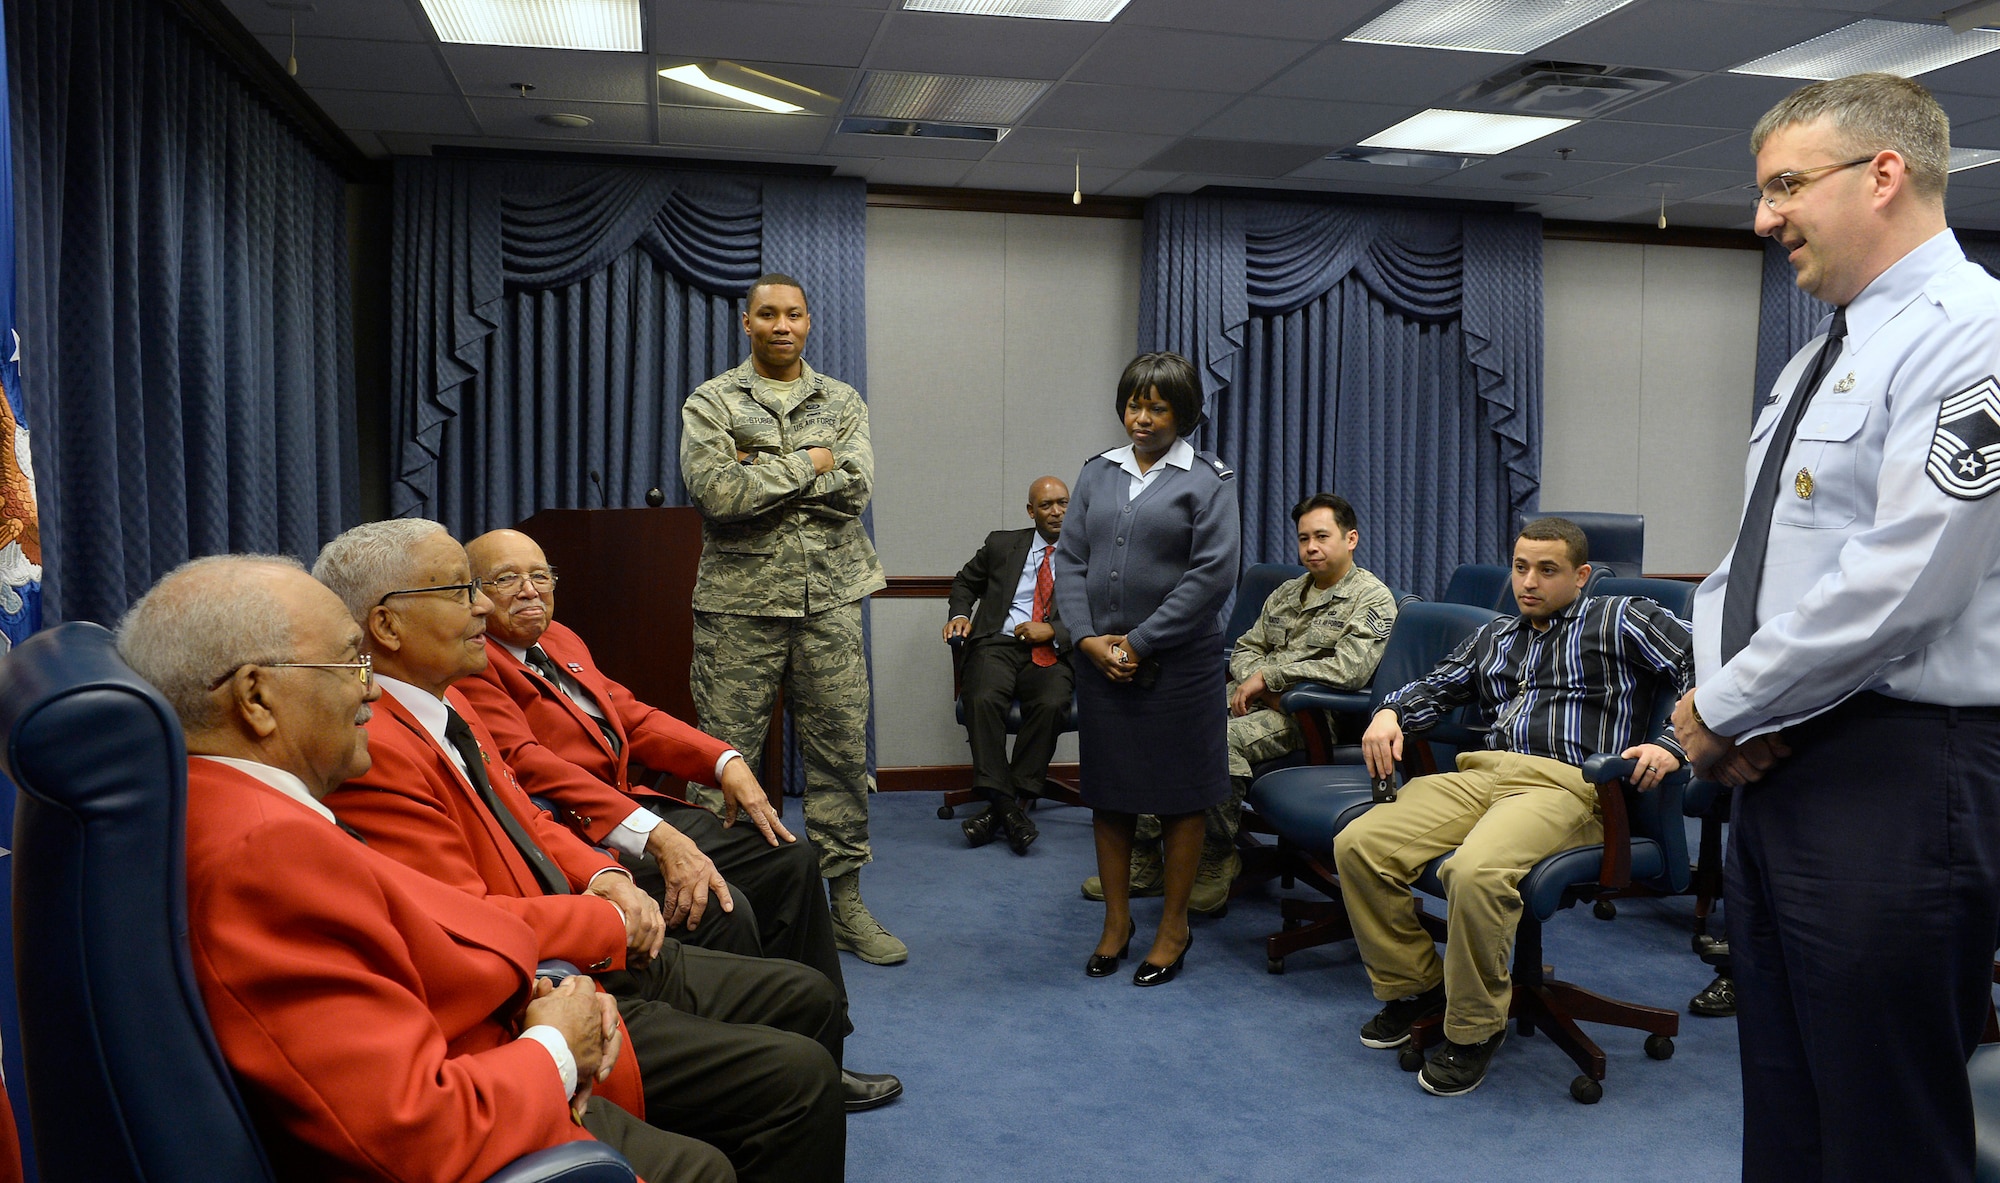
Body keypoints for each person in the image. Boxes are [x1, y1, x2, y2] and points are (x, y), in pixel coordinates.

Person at [116, 554, 729, 1183]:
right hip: (496, 1093)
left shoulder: (233, 803)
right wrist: (554, 1046)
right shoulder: (263, 851)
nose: (371, 688)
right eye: (349, 663)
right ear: (255, 697)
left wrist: (533, 987)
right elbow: (412, 1129)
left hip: (509, 1021)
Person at [1668, 73, 2000, 1182]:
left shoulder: (1973, 334)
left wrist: (1719, 706)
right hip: (1782, 759)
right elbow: (1746, 563)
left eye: (1783, 186)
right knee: (1790, 1099)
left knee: (1884, 1121)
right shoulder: (1821, 353)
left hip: (1899, 775)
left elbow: (1907, 577)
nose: (1763, 218)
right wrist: (1733, 707)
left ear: (1883, 174)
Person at [312, 519, 849, 1183]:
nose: (489, 601)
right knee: (789, 1069)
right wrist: (612, 914)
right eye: (469, 588)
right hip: (550, 979)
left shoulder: (453, 695)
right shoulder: (381, 746)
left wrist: (607, 875)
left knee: (808, 990)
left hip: (580, 915)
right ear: (387, 627)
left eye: (538, 575)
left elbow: (533, 813)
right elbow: (471, 915)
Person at [459, 527, 899, 1110]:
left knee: (790, 858)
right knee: (726, 903)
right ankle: (757, 1073)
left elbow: (632, 717)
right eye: (506, 579)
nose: (529, 590)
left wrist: (724, 760)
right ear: (476, 595)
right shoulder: (474, 662)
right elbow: (529, 767)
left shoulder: (559, 638)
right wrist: (654, 832)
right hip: (582, 836)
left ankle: (823, 1050)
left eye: (540, 575)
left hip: (636, 809)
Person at [1335, 518, 1692, 1097]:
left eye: (1547, 570)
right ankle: (1418, 986)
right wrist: (1389, 714)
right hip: (1484, 773)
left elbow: (1710, 663)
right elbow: (1435, 687)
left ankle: (1475, 1029)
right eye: (1521, 567)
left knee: (1473, 874)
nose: (1529, 581)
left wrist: (1672, 744)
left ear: (1580, 576)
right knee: (1358, 844)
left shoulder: (1622, 616)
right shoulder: (1498, 634)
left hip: (1569, 784)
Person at [679, 273, 903, 966]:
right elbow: (719, 493)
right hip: (739, 609)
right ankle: (714, 908)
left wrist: (764, 469)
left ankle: (846, 904)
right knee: (720, 760)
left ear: (809, 322)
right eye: (768, 314)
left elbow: (857, 487)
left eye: (794, 314)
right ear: (746, 323)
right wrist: (811, 460)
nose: (782, 324)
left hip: (829, 600)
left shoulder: (842, 400)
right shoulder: (712, 401)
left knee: (841, 755)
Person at [1083, 492, 1398, 914]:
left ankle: (1215, 859)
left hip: (1312, 715)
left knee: (1215, 743)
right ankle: (1146, 859)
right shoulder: (1288, 592)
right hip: (1253, 701)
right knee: (1164, 726)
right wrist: (1255, 678)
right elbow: (1244, 648)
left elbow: (1350, 670)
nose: (1311, 548)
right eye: (1304, 538)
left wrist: (1270, 678)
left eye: (1322, 536)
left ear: (1351, 538)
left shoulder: (1371, 598)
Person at [1055, 350, 1241, 986]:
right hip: (1101, 664)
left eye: (1158, 407)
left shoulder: (1207, 480)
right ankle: (1115, 922)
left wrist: (1138, 642)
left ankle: (1172, 926)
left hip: (1179, 667)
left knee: (1181, 800)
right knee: (1110, 795)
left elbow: (1212, 575)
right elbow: (1070, 562)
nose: (1142, 418)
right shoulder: (1096, 474)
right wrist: (1085, 640)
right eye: (1135, 404)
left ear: (1183, 414)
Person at [943, 475, 1073, 855]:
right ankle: (1010, 808)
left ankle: (998, 810)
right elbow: (965, 583)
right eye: (1047, 505)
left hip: (1051, 648)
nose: (1057, 512)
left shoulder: (1087, 552)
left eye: (1063, 503)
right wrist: (960, 614)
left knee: (1051, 704)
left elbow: (1100, 612)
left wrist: (1051, 630)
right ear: (1031, 511)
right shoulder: (1001, 544)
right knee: (981, 698)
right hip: (996, 644)